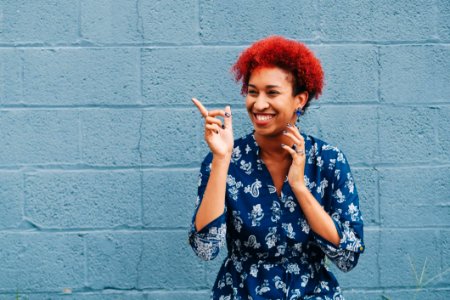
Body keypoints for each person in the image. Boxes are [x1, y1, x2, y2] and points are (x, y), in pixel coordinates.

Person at [188, 35, 364, 299]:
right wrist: (222, 160)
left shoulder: (328, 161)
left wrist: (299, 188)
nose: (258, 104)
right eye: (252, 91)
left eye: (272, 92)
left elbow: (348, 257)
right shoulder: (224, 159)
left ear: (299, 99)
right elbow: (205, 249)